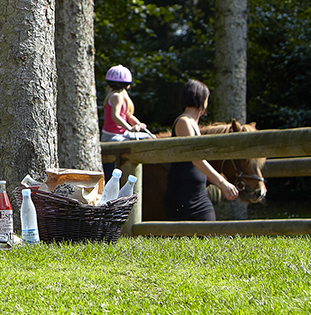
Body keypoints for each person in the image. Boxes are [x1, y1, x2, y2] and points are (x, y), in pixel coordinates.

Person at [165, 79, 240, 220]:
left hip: (198, 193)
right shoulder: (184, 122)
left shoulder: (193, 124)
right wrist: (222, 183)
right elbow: (196, 159)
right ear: (201, 98)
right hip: (185, 195)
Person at [101, 64, 153, 141]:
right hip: (112, 136)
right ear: (127, 85)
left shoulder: (121, 96)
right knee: (130, 144)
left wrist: (138, 124)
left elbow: (128, 115)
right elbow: (115, 116)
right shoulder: (117, 96)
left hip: (123, 134)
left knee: (149, 138)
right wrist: (130, 128)